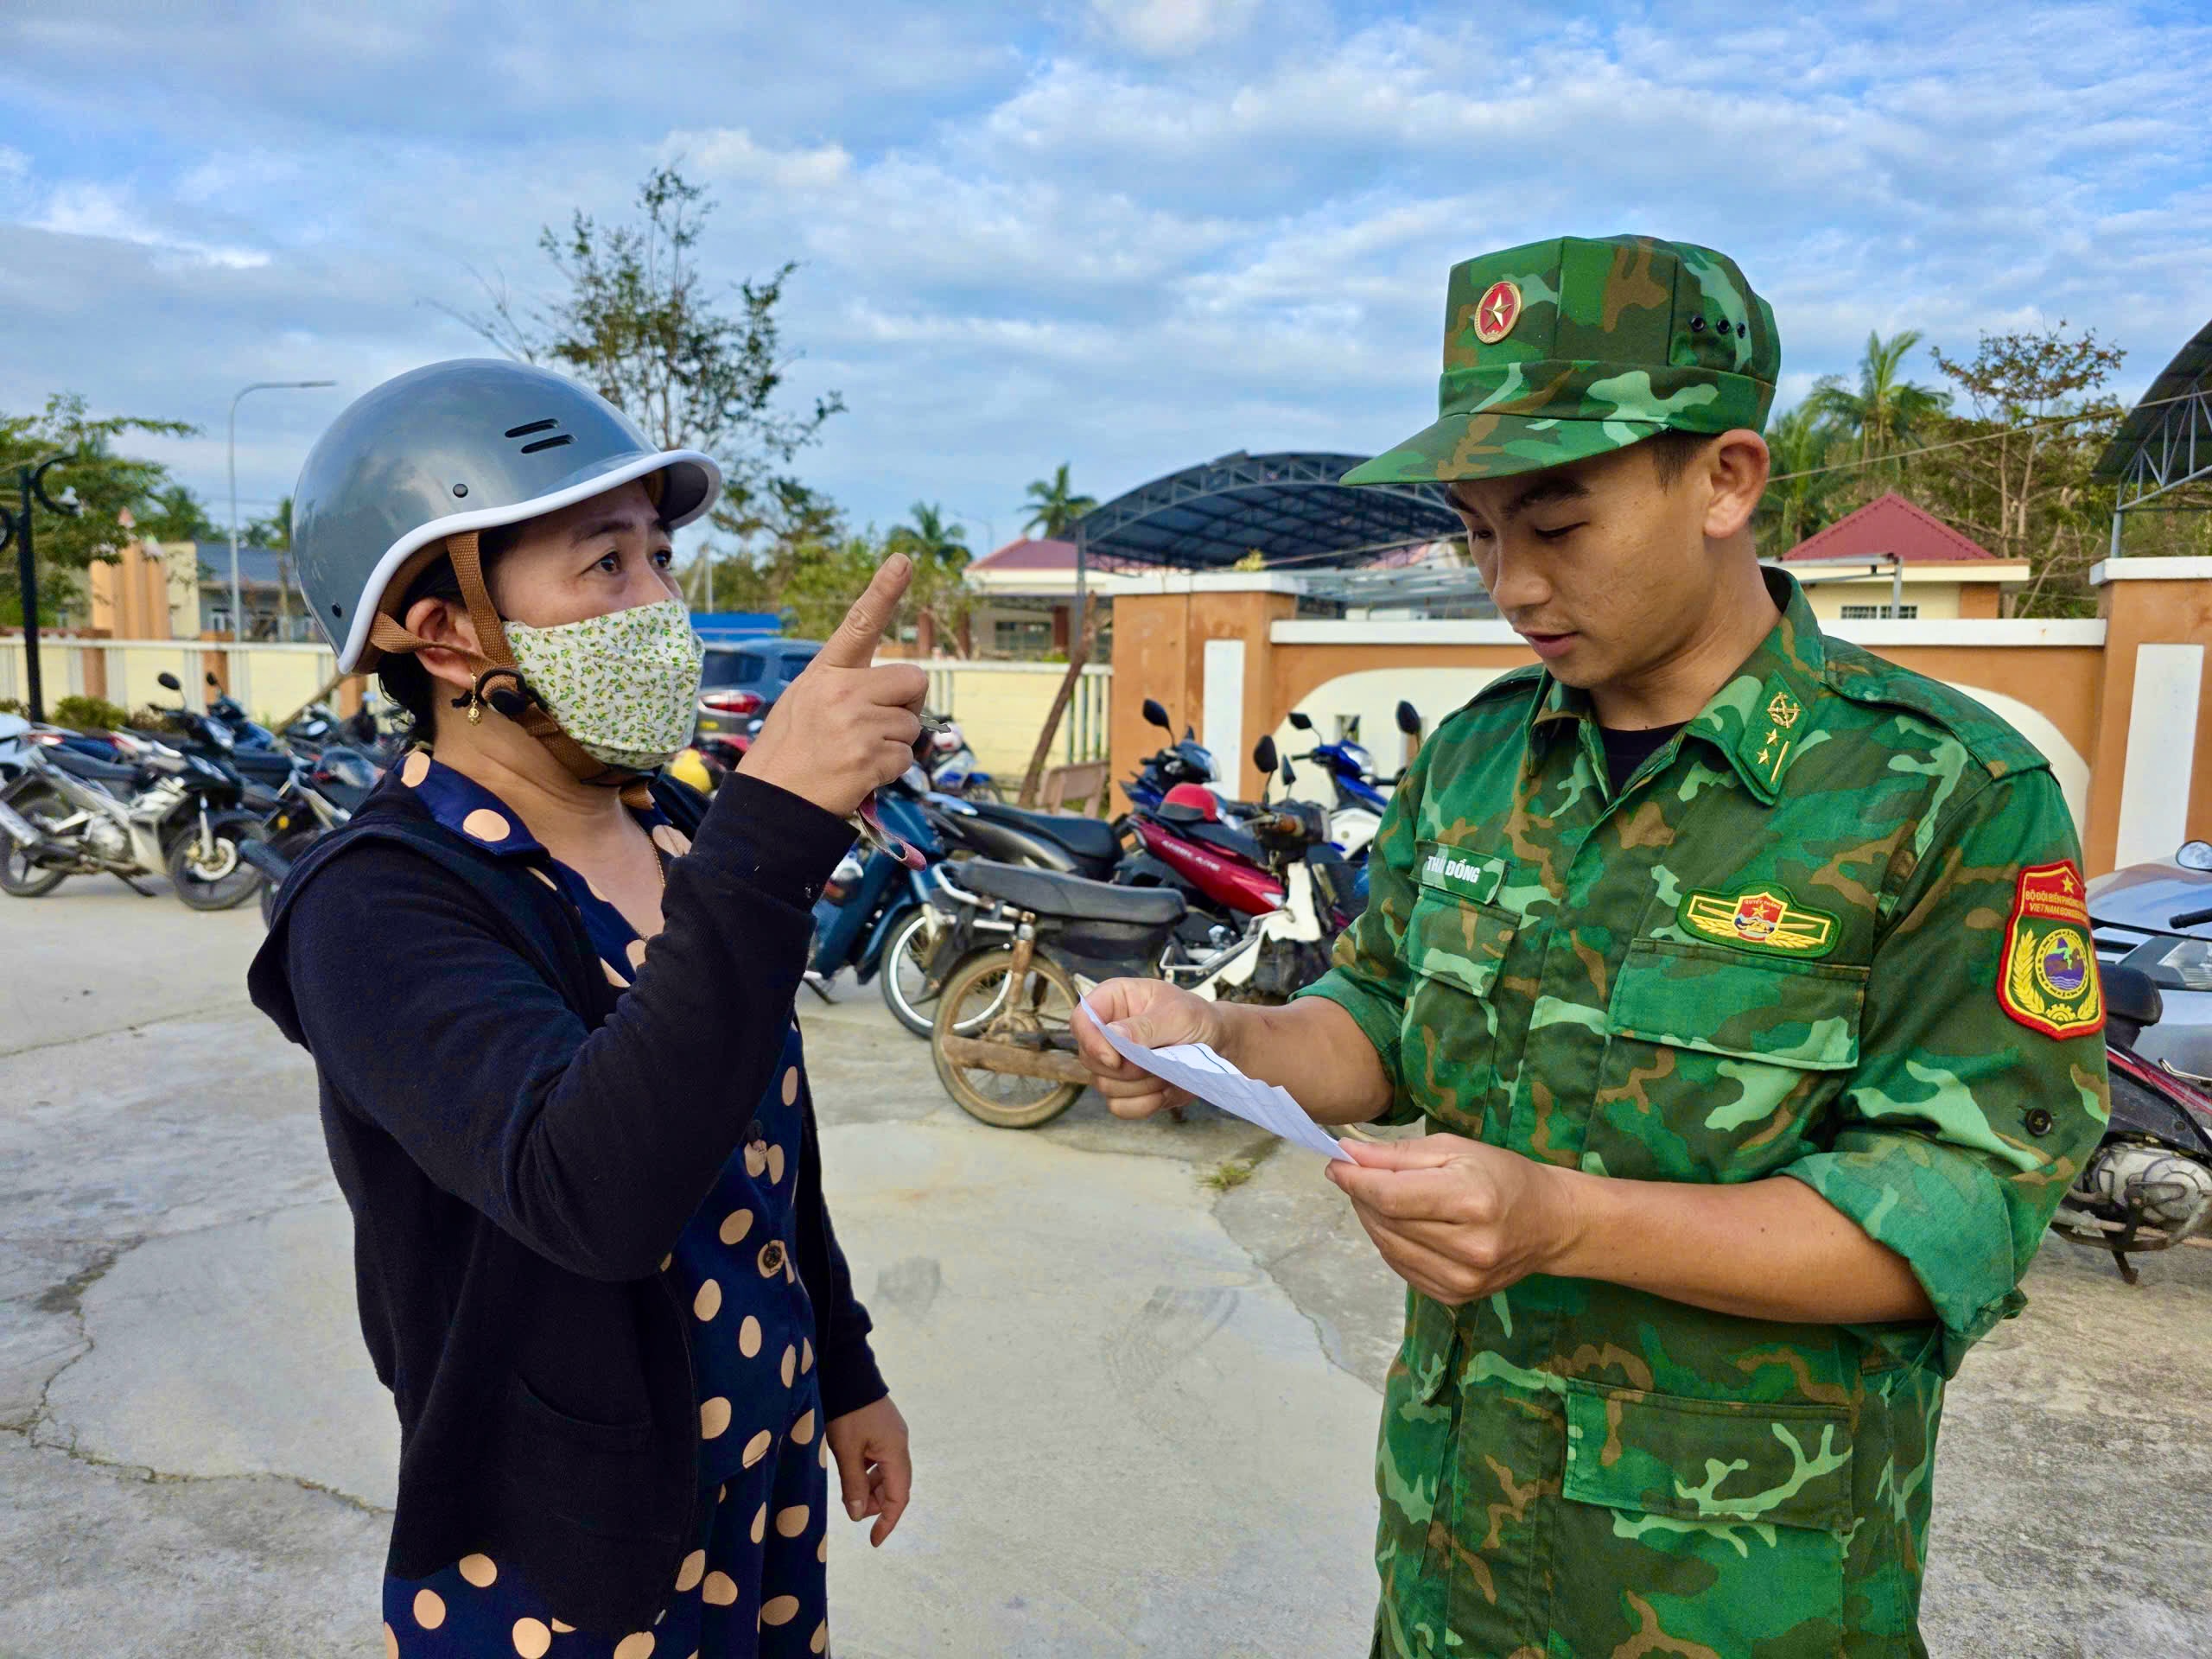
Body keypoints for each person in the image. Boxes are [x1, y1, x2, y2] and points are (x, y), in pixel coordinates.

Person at [1074, 236, 2108, 1657]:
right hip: (1453, 1569)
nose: (1509, 583)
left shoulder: (1940, 792)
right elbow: (1379, 1020)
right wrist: (1228, 1041)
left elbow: (1956, 1209)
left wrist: (1563, 1222)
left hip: (1735, 1596)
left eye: (1555, 528)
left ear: (1726, 481)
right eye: (1476, 531)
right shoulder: (1481, 761)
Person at [250, 359, 918, 1656]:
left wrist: (846, 1370)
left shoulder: (681, 831)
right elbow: (589, 1191)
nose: (661, 604)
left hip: (763, 1491)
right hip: (566, 1549)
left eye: (661, 559)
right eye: (605, 567)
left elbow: (764, 1139)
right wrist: (774, 831)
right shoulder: (379, 908)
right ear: (442, 635)